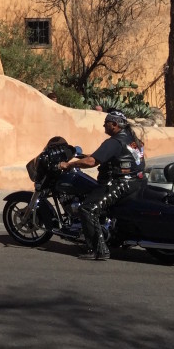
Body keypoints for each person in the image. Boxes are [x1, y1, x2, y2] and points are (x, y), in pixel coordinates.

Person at [57, 110, 145, 260]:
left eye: (106, 123)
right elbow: (109, 157)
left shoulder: (114, 141)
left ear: (115, 125)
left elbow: (92, 162)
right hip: (136, 181)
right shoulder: (130, 138)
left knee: (87, 209)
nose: (104, 125)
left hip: (121, 183)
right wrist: (84, 157)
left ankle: (97, 250)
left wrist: (69, 165)